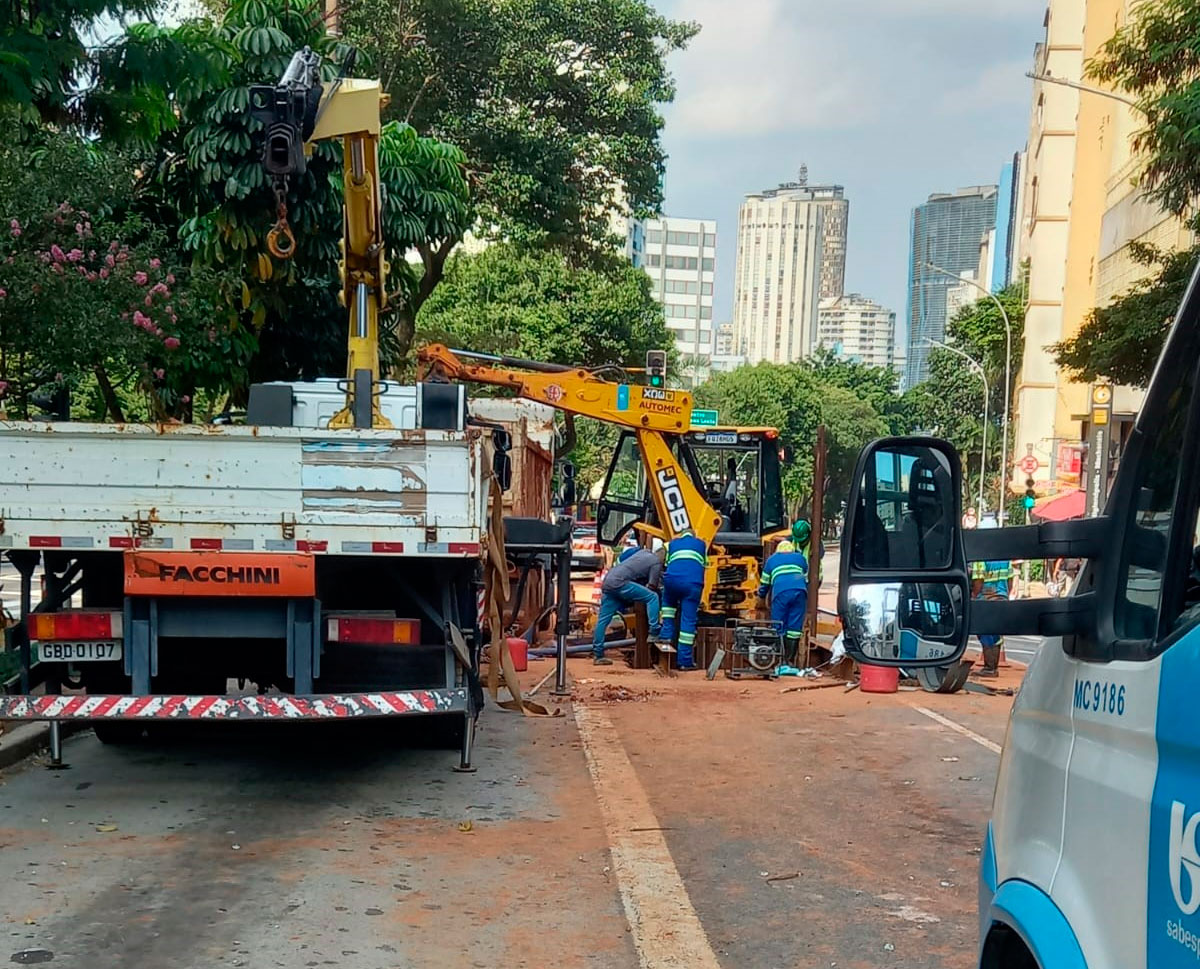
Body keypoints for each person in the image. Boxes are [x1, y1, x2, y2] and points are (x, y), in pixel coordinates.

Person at [592, 545, 663, 666]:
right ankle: (654, 631)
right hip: (620, 582)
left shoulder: (642, 553)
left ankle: (598, 655)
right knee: (652, 597)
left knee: (603, 620)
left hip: (608, 581)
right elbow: (652, 586)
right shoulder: (656, 562)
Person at [659, 530, 709, 670]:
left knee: (668, 608)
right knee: (688, 621)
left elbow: (667, 563)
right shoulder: (701, 544)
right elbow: (704, 565)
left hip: (672, 582)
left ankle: (665, 638)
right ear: (693, 535)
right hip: (692, 585)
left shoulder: (672, 544)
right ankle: (684, 661)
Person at [971, 522, 1014, 678]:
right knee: (996, 634)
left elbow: (978, 579)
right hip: (1001, 596)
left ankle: (990, 668)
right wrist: (1005, 593)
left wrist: (974, 595)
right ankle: (992, 667)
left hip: (986, 598)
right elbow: (1010, 578)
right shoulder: (1004, 555)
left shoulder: (981, 554)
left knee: (985, 632)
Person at [757, 539, 809, 661]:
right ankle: (789, 660)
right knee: (794, 627)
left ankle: (778, 658)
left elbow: (764, 583)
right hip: (800, 592)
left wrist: (761, 597)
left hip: (781, 593)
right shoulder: (800, 558)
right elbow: (806, 578)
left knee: (778, 623)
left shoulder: (771, 560)